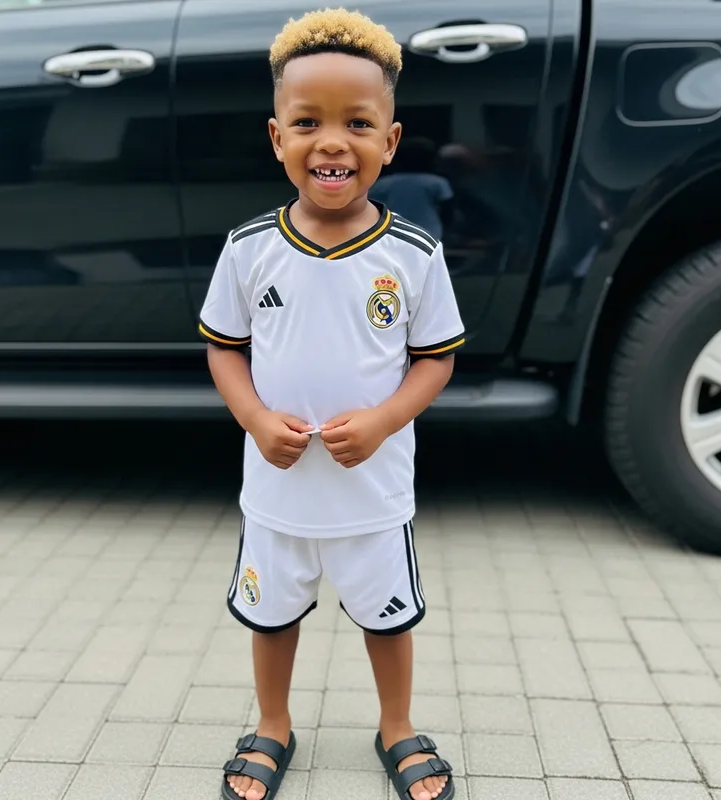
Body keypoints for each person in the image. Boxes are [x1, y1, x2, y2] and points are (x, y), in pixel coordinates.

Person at [198, 9, 464, 800]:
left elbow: (436, 359)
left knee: (389, 618)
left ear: (390, 139)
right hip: (277, 495)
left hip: (372, 497)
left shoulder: (412, 255)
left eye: (358, 122)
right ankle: (273, 724)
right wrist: (252, 417)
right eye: (308, 122)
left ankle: (396, 726)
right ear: (278, 137)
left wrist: (383, 421)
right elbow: (224, 348)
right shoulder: (249, 248)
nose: (332, 142)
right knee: (271, 616)